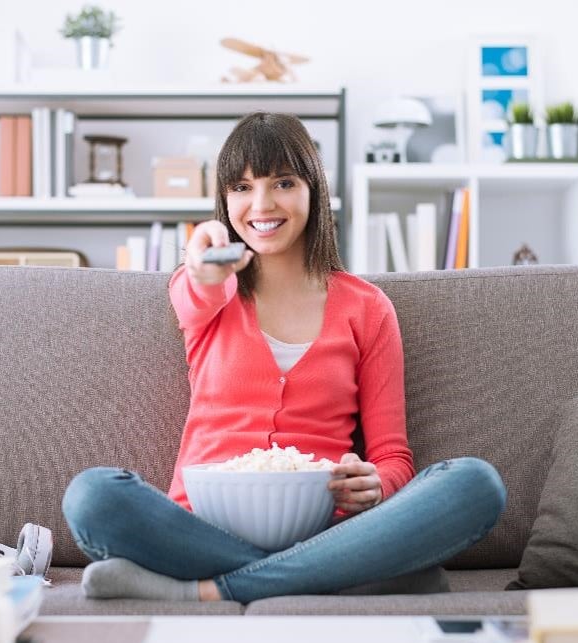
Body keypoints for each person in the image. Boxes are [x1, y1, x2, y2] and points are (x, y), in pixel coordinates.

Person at [61, 112, 506, 603]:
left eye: (283, 183)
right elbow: (198, 289)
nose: (261, 204)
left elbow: (393, 457)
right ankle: (350, 579)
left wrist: (376, 484)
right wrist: (203, 270)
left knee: (473, 484)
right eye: (242, 187)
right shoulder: (212, 289)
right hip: (200, 528)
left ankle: (209, 590)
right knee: (93, 495)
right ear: (224, 200)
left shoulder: (367, 308)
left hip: (326, 529)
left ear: (313, 190)